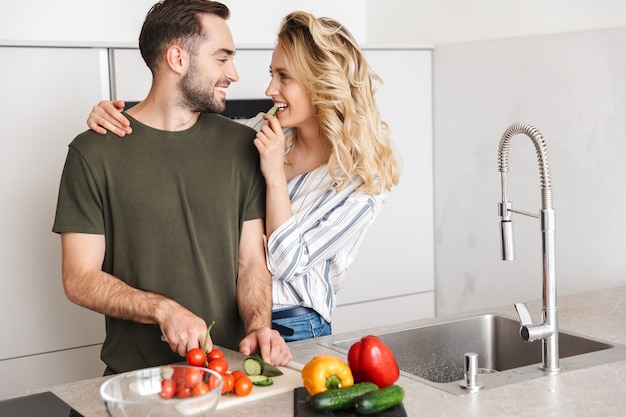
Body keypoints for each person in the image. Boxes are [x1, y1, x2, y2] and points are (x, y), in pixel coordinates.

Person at [87, 11, 400, 342]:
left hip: (292, 327)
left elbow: (284, 262)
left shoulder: (361, 185)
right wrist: (117, 117)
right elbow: (180, 118)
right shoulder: (258, 132)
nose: (270, 88)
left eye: (284, 77)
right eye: (271, 74)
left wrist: (275, 175)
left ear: (321, 82)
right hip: (233, 319)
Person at [53, 0, 291, 375]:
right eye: (222, 58)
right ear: (178, 59)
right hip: (136, 382)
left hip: (227, 376)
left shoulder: (242, 147)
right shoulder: (93, 151)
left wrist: (260, 326)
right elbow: (78, 278)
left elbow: (251, 265)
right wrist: (162, 310)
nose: (234, 74)